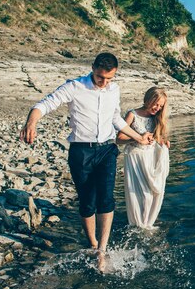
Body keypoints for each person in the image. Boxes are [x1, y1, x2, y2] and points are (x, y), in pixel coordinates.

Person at [19, 52, 153, 270]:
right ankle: (92, 243)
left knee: (106, 199)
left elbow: (115, 118)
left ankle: (102, 249)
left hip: (107, 150)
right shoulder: (75, 87)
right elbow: (45, 104)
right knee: (87, 201)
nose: (104, 82)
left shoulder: (114, 90)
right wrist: (31, 123)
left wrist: (139, 137)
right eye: (101, 77)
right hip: (81, 151)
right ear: (93, 68)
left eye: (110, 78)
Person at [117, 87, 170, 230]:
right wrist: (138, 139)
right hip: (135, 157)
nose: (157, 108)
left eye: (160, 106)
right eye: (155, 104)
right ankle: (138, 224)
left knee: (153, 193)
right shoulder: (132, 114)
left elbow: (156, 138)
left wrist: (163, 141)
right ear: (148, 99)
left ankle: (146, 223)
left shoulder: (156, 117)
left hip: (150, 157)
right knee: (142, 195)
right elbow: (119, 139)